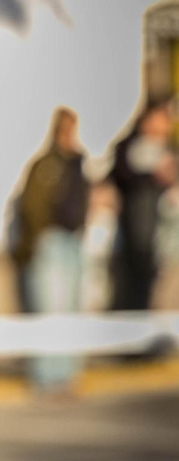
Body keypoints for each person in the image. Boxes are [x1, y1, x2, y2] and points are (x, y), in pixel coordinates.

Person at [11, 107, 90, 313]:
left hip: (74, 241)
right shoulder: (47, 166)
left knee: (71, 310)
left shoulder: (76, 164)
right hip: (50, 243)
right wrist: (38, 239)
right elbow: (32, 207)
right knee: (49, 311)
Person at [109, 101, 175, 310]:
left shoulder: (169, 151)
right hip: (138, 239)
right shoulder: (129, 149)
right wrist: (152, 174)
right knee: (135, 294)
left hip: (165, 243)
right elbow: (120, 177)